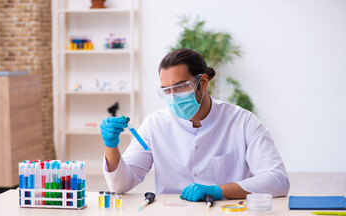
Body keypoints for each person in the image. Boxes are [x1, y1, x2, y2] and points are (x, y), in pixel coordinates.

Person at [100, 48, 289, 201]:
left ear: (203, 82)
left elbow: (278, 180)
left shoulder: (243, 122)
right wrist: (111, 146)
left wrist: (219, 191)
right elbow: (120, 185)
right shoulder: (154, 125)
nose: (173, 96)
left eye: (181, 86)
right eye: (167, 90)